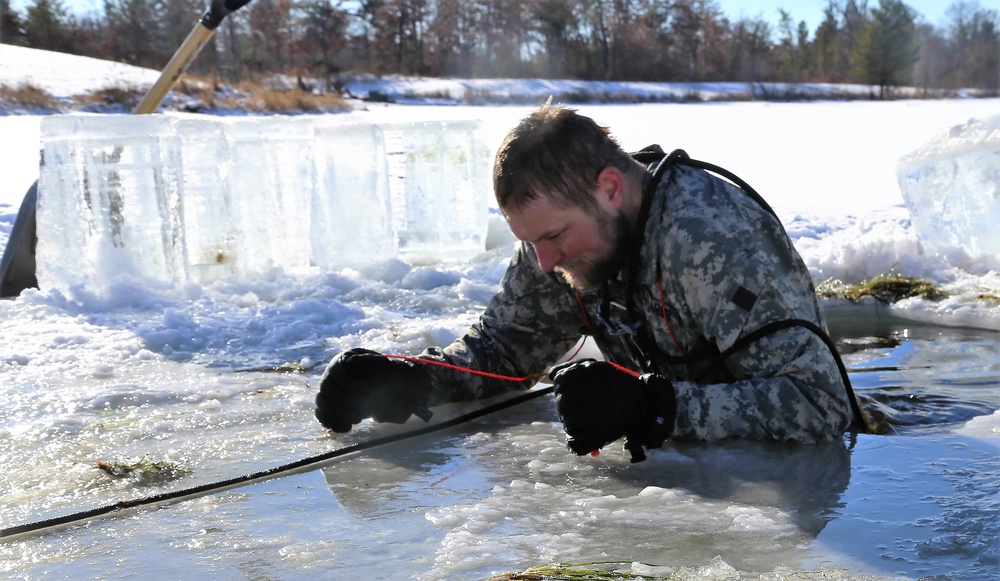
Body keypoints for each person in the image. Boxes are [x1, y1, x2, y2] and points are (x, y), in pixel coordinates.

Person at [315, 103, 857, 462]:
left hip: (780, 502)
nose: (545, 262)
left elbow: (822, 405)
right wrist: (413, 377)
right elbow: (507, 349)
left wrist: (655, 408)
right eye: (532, 243)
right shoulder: (562, 243)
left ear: (611, 189)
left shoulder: (710, 236)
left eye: (553, 237)